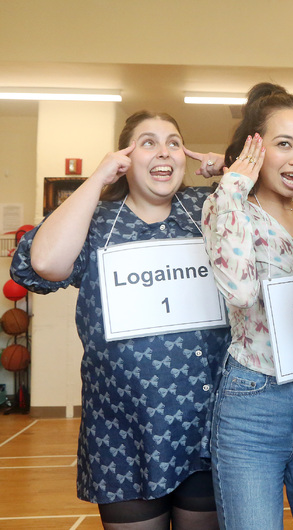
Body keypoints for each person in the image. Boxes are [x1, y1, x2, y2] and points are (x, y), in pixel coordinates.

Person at [10, 111, 232, 529]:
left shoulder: (207, 208)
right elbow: (39, 265)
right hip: (121, 432)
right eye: (147, 142)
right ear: (124, 157)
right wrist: (97, 179)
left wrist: (231, 168)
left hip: (205, 423)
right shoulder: (96, 221)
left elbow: (272, 217)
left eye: (173, 141)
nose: (163, 151)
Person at [201, 82, 293, 530]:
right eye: (283, 144)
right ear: (255, 149)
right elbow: (241, 292)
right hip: (255, 402)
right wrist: (231, 187)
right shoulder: (228, 207)